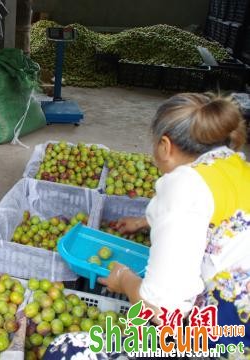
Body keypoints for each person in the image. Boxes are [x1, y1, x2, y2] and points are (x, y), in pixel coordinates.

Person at [45, 93, 250, 359]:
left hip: (225, 337)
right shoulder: (235, 164)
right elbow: (214, 217)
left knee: (66, 350)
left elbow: (162, 312)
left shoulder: (183, 185)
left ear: (165, 146)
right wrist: (144, 221)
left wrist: (125, 281)